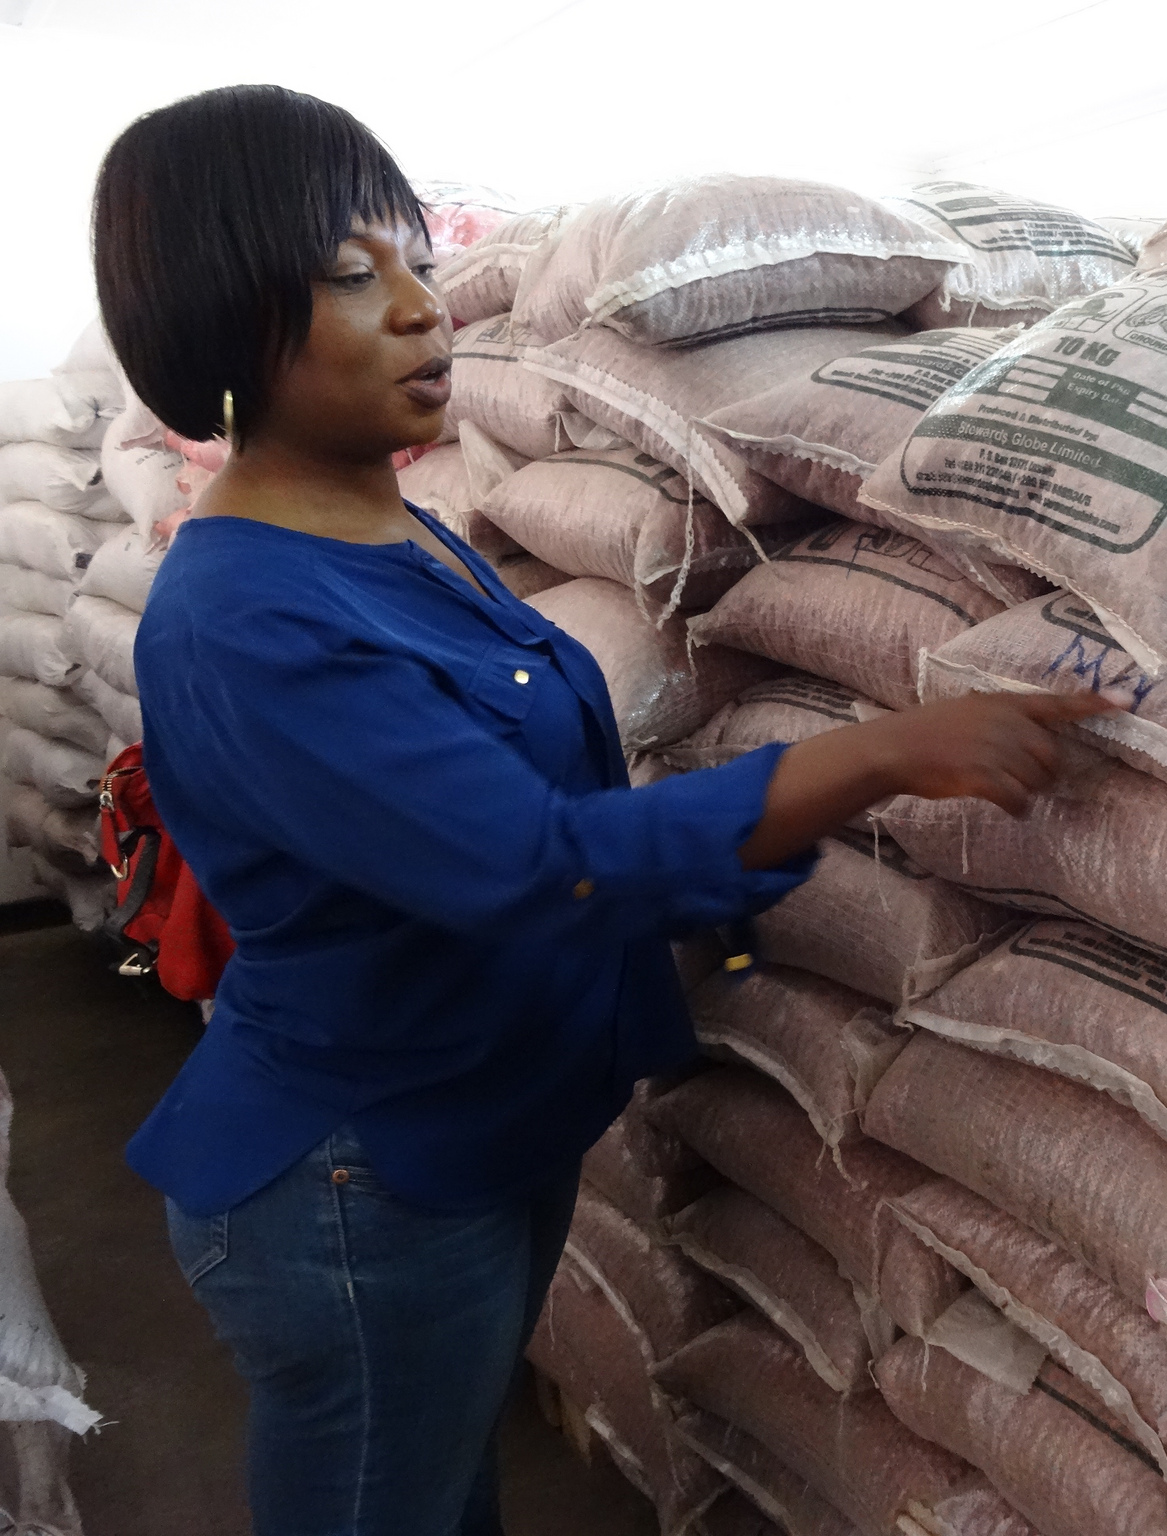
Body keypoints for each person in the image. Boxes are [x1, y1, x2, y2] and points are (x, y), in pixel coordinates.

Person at [91, 84, 1114, 1536]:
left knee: (442, 1494)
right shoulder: (248, 615)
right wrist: (875, 757)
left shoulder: (393, 531)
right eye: (346, 278)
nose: (419, 313)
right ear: (213, 318)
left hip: (472, 1133)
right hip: (356, 1181)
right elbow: (530, 866)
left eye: (417, 268)